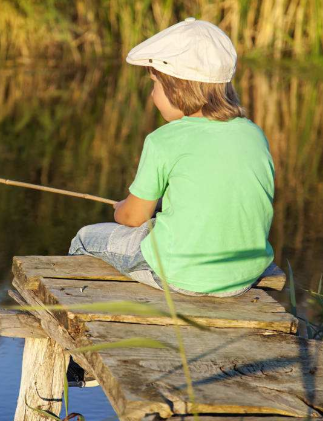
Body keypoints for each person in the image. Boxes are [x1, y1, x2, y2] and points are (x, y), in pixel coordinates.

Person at [68, 18, 275, 298]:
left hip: (181, 275)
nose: (153, 93)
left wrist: (121, 208)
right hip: (242, 276)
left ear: (177, 87)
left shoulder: (164, 139)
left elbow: (133, 217)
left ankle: (85, 317)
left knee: (84, 238)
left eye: (155, 83)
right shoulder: (254, 134)